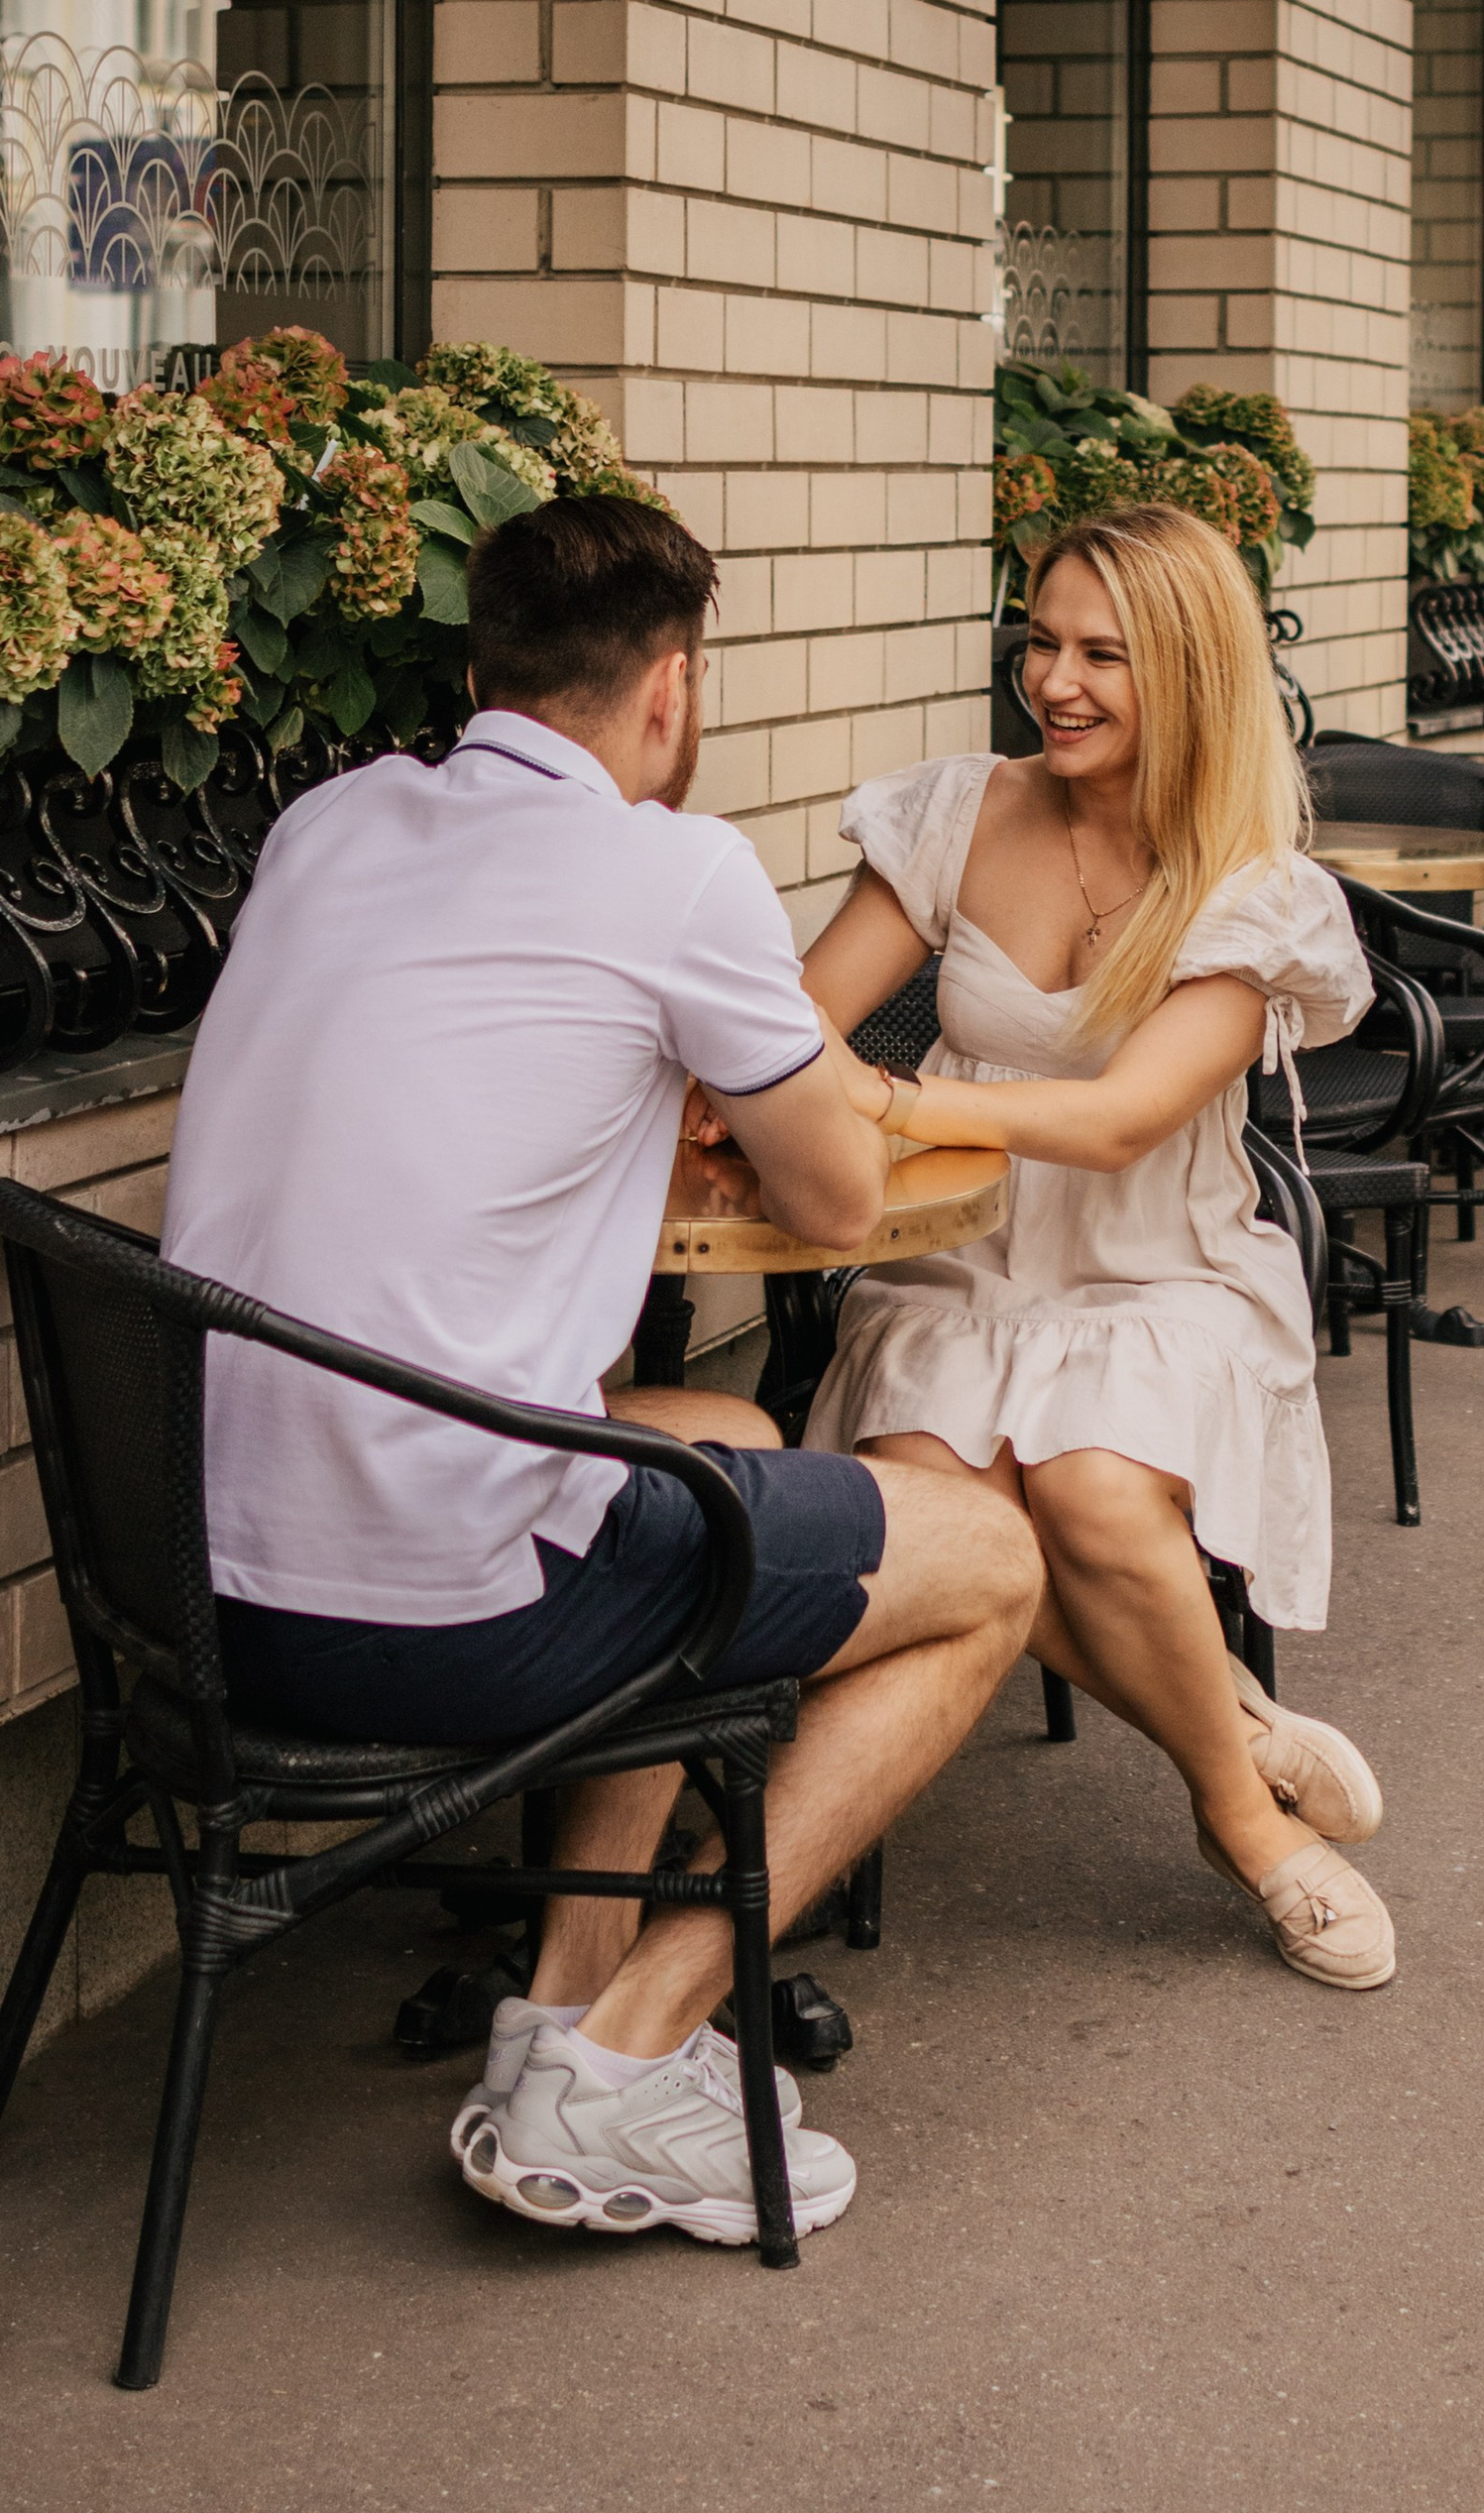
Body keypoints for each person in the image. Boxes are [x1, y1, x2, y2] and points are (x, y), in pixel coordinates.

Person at [162, 494, 1042, 2245]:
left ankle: (558, 2009)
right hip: (434, 1614)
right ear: (671, 693)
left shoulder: (327, 828)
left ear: (481, 667)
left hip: (196, 1596)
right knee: (989, 1563)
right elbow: (841, 1189)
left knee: (712, 1427)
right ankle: (647, 2034)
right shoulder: (676, 870)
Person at [786, 498, 1397, 1991]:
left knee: (1098, 1491)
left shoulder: (1256, 888)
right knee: (942, 1519)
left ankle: (1242, 1830)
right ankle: (1234, 1734)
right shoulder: (953, 814)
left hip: (1160, 1269)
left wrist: (890, 1096)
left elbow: (1124, 1119)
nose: (1054, 682)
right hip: (958, 1262)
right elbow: (799, 1016)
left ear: (1185, 673)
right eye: (1042, 642)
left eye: (1104, 655)